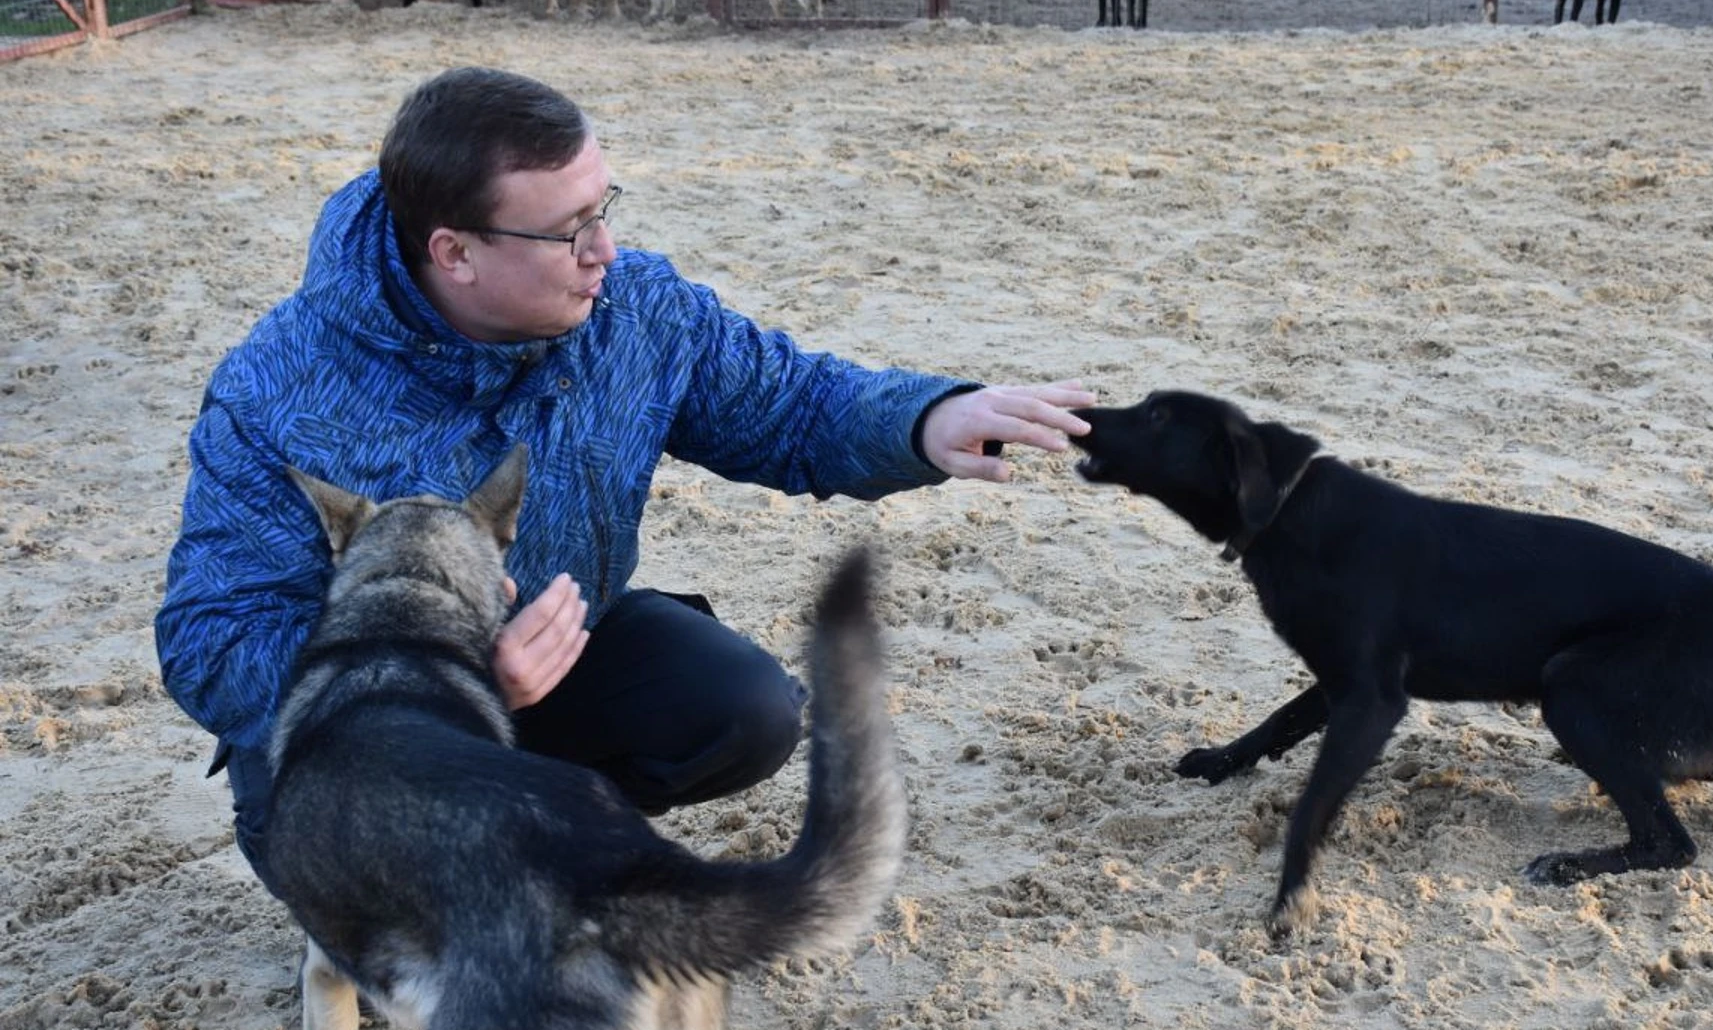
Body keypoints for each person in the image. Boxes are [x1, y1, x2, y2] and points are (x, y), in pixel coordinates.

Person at [154, 66, 1093, 894]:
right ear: (456, 252)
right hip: (358, 734)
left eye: (605, 209)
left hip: (559, 645)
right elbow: (211, 639)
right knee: (371, 874)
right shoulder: (279, 390)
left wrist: (928, 421)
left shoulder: (631, 306)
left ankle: (527, 834)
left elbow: (790, 404)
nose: (603, 250)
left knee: (744, 711)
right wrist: (442, 678)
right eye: (570, 230)